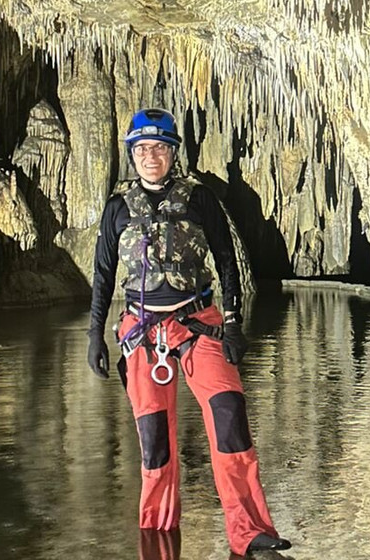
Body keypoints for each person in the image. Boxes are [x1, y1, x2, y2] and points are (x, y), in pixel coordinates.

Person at [86, 107, 291, 556]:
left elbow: (225, 259)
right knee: (154, 443)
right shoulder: (117, 209)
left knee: (231, 424)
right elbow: (103, 273)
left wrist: (233, 320)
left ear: (173, 153)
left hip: (200, 325)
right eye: (142, 149)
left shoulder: (200, 200)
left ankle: (250, 531)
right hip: (142, 331)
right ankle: (158, 537)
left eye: (159, 148)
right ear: (132, 155)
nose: (150, 156)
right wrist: (94, 334)